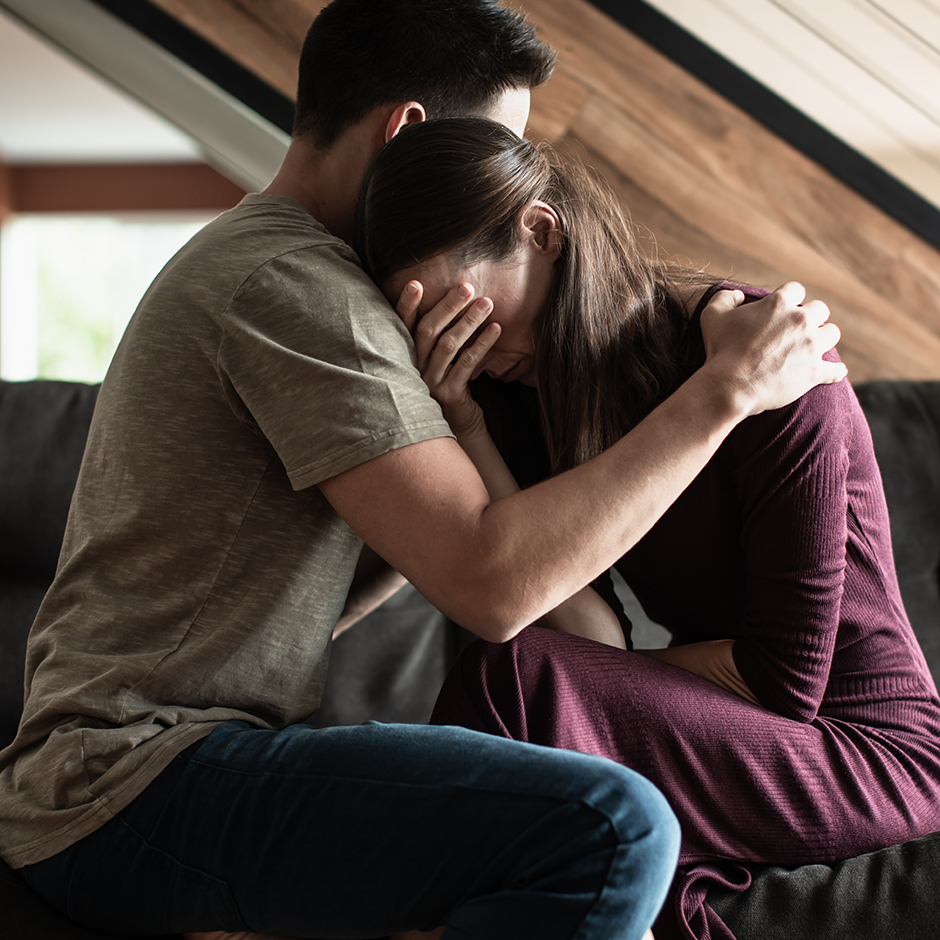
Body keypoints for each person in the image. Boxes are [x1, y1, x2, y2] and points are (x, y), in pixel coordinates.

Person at [0, 3, 844, 939]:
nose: (502, 178)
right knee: (611, 826)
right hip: (137, 779)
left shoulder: (270, 266)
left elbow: (390, 572)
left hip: (138, 773)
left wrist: (460, 437)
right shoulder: (297, 286)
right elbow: (493, 585)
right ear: (410, 131)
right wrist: (727, 389)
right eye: (495, 145)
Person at [353, 116, 940, 940]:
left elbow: (784, 682)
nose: (471, 351)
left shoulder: (775, 361)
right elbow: (578, 629)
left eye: (467, 310)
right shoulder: (523, 386)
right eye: (434, 329)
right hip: (738, 717)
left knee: (519, 677)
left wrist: (608, 678)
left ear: (543, 232)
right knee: (521, 670)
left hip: (863, 748)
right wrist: (467, 427)